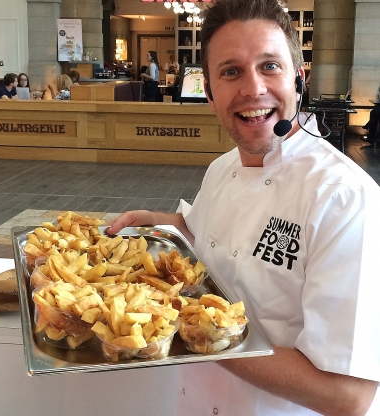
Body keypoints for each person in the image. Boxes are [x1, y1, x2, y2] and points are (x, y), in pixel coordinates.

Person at [107, 0, 380, 414]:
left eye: (270, 65)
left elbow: (348, 395)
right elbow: (212, 235)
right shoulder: (221, 169)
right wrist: (161, 225)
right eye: (231, 71)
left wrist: (197, 333)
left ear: (298, 80)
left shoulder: (343, 198)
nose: (253, 88)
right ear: (211, 96)